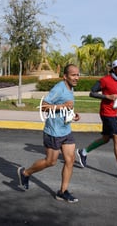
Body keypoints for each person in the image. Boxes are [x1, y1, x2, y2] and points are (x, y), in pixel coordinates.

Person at [17, 64, 81, 203]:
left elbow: (66, 107)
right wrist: (63, 106)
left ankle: (62, 192)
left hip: (66, 130)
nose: (76, 77)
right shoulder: (59, 88)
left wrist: (73, 114)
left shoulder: (71, 88)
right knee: (50, 162)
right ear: (65, 76)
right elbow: (44, 106)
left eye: (77, 75)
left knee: (70, 160)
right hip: (53, 132)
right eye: (73, 75)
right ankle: (25, 173)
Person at [76, 60, 117, 180]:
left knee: (106, 139)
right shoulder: (105, 80)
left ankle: (83, 152)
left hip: (114, 113)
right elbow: (91, 93)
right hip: (107, 113)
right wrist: (106, 96)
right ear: (114, 69)